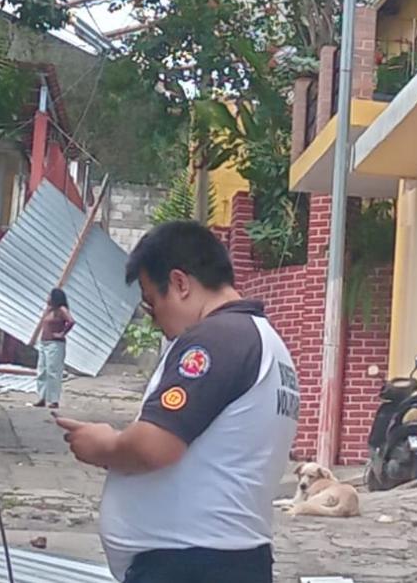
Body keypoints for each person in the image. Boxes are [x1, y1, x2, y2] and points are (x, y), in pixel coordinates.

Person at [55, 221, 299, 583]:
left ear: (181, 283)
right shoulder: (264, 342)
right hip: (222, 558)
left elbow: (154, 447)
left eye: (153, 303)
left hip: (193, 565)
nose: (156, 322)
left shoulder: (217, 340)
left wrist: (103, 444)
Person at [33, 288, 75, 409]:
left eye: (50, 296)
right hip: (44, 342)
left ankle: (53, 399)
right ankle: (42, 397)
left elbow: (71, 321)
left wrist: (62, 333)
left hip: (55, 344)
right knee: (42, 370)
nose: (48, 298)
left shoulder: (61, 310)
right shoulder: (49, 310)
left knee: (53, 371)